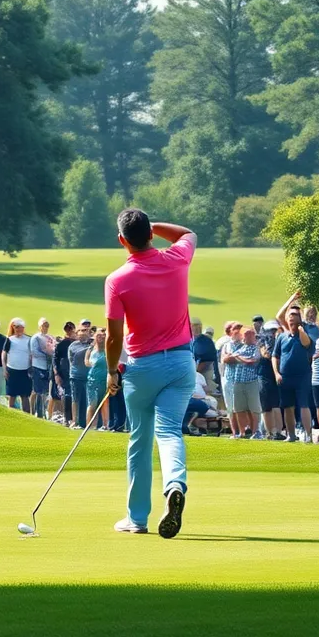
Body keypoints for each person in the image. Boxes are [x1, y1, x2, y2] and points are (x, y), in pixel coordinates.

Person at [104, 209, 197, 539]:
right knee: (170, 431)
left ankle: (137, 518)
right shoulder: (176, 258)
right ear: (150, 235)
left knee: (140, 440)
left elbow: (114, 337)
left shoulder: (117, 280)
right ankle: (175, 484)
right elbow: (188, 233)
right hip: (182, 363)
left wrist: (112, 372)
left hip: (143, 367)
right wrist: (152, 226)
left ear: (121, 241)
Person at [272, 306, 314, 442]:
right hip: (285, 376)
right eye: (290, 316)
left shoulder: (305, 334)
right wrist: (277, 373)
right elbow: (275, 356)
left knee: (304, 405)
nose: (291, 318)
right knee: (288, 407)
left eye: (295, 316)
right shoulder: (282, 337)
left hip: (302, 375)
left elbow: (307, 344)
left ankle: (308, 435)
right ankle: (291, 435)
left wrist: (300, 329)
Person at [225, 326, 261, 438]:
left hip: (251, 382)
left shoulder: (256, 348)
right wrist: (237, 357)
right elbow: (226, 359)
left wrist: (238, 357)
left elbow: (252, 361)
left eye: (250, 334)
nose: (247, 336)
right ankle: (242, 433)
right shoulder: (241, 348)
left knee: (254, 409)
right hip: (238, 382)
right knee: (239, 408)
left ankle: (255, 432)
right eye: (245, 334)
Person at [2, 319, 33, 412]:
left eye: (20, 327)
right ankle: (10, 414)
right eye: (16, 327)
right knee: (12, 395)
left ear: (23, 328)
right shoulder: (9, 340)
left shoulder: (29, 339)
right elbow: (3, 354)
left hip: (25, 371)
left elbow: (32, 355)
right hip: (12, 370)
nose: (19, 329)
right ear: (13, 328)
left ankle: (27, 416)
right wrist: (4, 369)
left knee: (25, 396)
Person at [67, 320, 93, 428]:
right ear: (77, 333)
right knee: (75, 399)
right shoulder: (73, 346)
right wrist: (90, 346)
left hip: (89, 376)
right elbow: (73, 360)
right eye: (81, 331)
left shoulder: (93, 344)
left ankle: (87, 422)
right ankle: (75, 420)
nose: (83, 333)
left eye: (86, 330)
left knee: (89, 400)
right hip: (76, 376)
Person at [86, 328, 110, 431]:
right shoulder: (91, 349)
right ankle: (90, 425)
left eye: (103, 336)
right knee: (93, 404)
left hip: (104, 380)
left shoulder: (108, 350)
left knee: (104, 403)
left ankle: (105, 425)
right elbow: (86, 362)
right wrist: (92, 363)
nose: (100, 338)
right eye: (98, 336)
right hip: (92, 380)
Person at [30, 318, 54, 419]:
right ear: (40, 326)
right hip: (37, 366)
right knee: (36, 390)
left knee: (44, 391)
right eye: (44, 325)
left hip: (47, 367)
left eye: (47, 326)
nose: (45, 327)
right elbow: (34, 352)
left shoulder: (49, 338)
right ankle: (33, 411)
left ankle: (42, 411)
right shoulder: (35, 338)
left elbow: (53, 349)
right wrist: (46, 354)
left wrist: (51, 353)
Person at [191, 318, 219, 399]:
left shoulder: (206, 341)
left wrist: (196, 371)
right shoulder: (189, 339)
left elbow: (208, 360)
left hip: (205, 371)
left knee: (206, 394)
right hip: (192, 370)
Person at [54, 321, 76, 425]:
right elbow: (55, 360)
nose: (70, 331)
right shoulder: (61, 344)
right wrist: (56, 374)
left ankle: (75, 418)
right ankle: (67, 418)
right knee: (67, 396)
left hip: (75, 372)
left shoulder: (77, 344)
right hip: (64, 373)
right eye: (68, 329)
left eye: (71, 329)